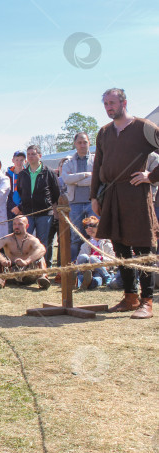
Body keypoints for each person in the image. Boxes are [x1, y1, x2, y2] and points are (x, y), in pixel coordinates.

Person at [91, 88, 159, 319]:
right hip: (111, 194)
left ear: (124, 102)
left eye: (112, 103)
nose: (109, 107)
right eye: (106, 104)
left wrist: (152, 176)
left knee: (142, 248)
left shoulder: (143, 127)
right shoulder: (104, 132)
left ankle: (147, 301)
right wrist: (94, 196)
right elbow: (97, 165)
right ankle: (130, 297)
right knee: (120, 247)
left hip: (136, 193)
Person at [16, 145, 60, 267]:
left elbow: (56, 192)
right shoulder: (23, 174)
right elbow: (20, 191)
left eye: (33, 154)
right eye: (28, 154)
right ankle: (28, 267)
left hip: (45, 213)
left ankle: (44, 268)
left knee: (43, 242)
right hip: (28, 213)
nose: (30, 156)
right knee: (26, 241)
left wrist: (51, 206)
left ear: (40, 156)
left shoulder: (49, 172)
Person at [0, 216, 50, 290]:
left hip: (28, 274)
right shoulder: (7, 239)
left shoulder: (32, 240)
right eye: (14, 224)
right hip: (10, 273)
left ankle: (43, 278)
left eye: (20, 224)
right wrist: (2, 260)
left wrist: (27, 261)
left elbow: (42, 249)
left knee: (40, 257)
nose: (16, 226)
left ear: (27, 226)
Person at [62, 133, 95, 261]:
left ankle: (95, 264)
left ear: (89, 143)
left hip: (92, 202)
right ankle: (75, 267)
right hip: (74, 203)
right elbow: (66, 179)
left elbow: (97, 178)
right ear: (75, 144)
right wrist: (86, 174)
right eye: (79, 142)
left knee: (95, 235)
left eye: (85, 142)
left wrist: (76, 179)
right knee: (76, 236)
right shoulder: (68, 162)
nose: (82, 145)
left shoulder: (96, 160)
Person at [76, 217, 114, 290]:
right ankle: (82, 280)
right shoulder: (85, 244)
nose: (89, 228)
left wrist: (99, 258)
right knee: (83, 256)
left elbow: (114, 261)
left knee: (93, 259)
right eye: (86, 226)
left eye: (92, 225)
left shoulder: (107, 243)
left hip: (102, 269)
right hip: (88, 270)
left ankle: (105, 277)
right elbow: (79, 261)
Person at [6, 151, 26, 232]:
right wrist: (13, 207)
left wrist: (20, 207)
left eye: (21, 160)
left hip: (24, 210)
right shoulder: (7, 176)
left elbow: (28, 194)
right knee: (11, 235)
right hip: (11, 210)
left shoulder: (27, 174)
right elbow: (6, 194)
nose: (19, 162)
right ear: (13, 160)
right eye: (17, 160)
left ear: (25, 161)